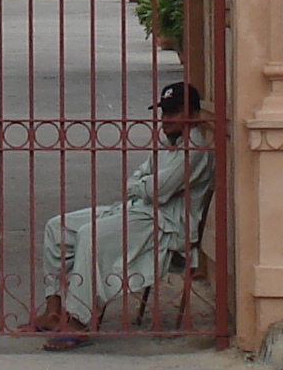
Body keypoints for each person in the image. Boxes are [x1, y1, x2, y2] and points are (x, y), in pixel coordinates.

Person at [22, 83, 211, 344]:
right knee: (59, 227)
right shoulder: (169, 141)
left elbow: (159, 191)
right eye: (163, 113)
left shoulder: (195, 149)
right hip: (138, 209)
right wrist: (143, 185)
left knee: (91, 235)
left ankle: (79, 320)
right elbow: (137, 180)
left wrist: (143, 186)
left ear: (193, 114)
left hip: (163, 223)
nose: (165, 120)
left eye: (173, 113)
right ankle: (53, 310)